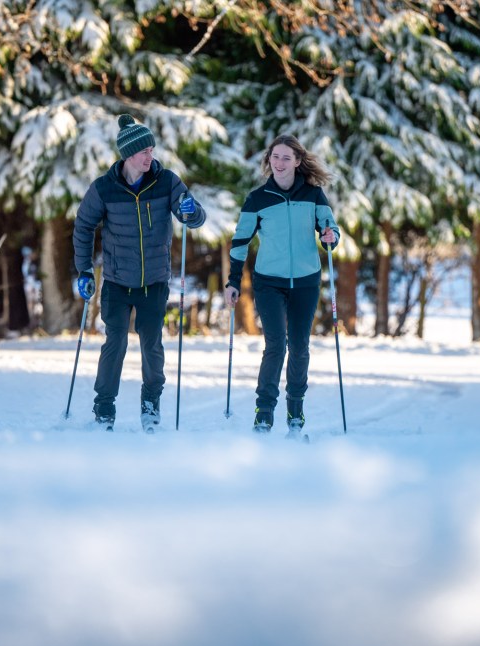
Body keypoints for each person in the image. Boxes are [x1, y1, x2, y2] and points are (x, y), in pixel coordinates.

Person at [73, 114, 206, 430]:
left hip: (154, 281)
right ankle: (104, 409)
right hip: (117, 281)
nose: (150, 156)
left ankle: (151, 405)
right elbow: (83, 226)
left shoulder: (167, 181)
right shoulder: (104, 188)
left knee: (151, 344)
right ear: (128, 154)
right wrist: (85, 270)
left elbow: (195, 217)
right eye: (144, 151)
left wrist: (192, 212)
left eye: (151, 150)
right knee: (115, 342)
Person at [224, 134, 340, 433]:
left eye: (286, 157)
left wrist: (330, 238)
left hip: (305, 281)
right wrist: (233, 281)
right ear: (269, 161)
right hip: (269, 283)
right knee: (275, 345)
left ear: (298, 162)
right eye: (275, 157)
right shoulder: (257, 199)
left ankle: (296, 411)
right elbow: (240, 243)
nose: (279, 163)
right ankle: (264, 411)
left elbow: (331, 230)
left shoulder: (313, 195)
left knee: (300, 346)